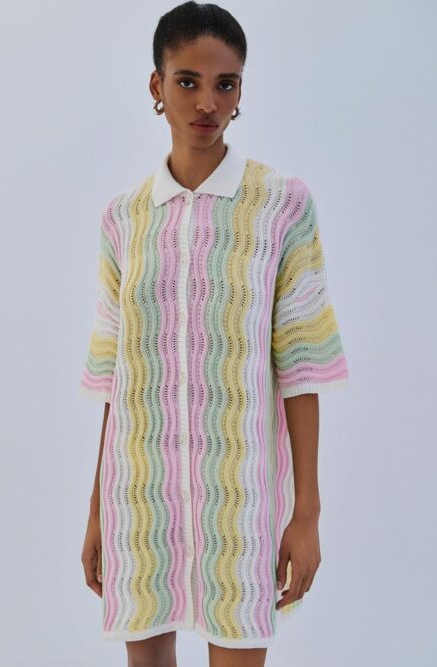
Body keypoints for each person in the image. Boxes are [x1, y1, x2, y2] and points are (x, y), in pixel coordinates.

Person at [80, 2, 349, 666]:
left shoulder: (282, 204)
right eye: (187, 81)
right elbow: (116, 378)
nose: (207, 102)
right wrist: (97, 509)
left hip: (242, 496)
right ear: (157, 85)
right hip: (140, 493)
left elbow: (302, 366)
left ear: (241, 90)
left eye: (225, 83)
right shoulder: (123, 219)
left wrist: (306, 512)